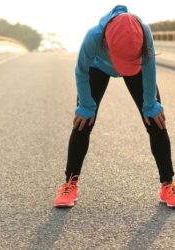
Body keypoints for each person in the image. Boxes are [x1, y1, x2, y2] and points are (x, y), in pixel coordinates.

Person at [53, 5, 175, 208]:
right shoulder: (93, 36)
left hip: (136, 67)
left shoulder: (143, 31)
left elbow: (149, 66)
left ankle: (168, 185)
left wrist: (150, 103)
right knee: (84, 122)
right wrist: (85, 105)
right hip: (98, 67)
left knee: (156, 120)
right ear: (105, 41)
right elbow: (81, 71)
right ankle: (70, 184)